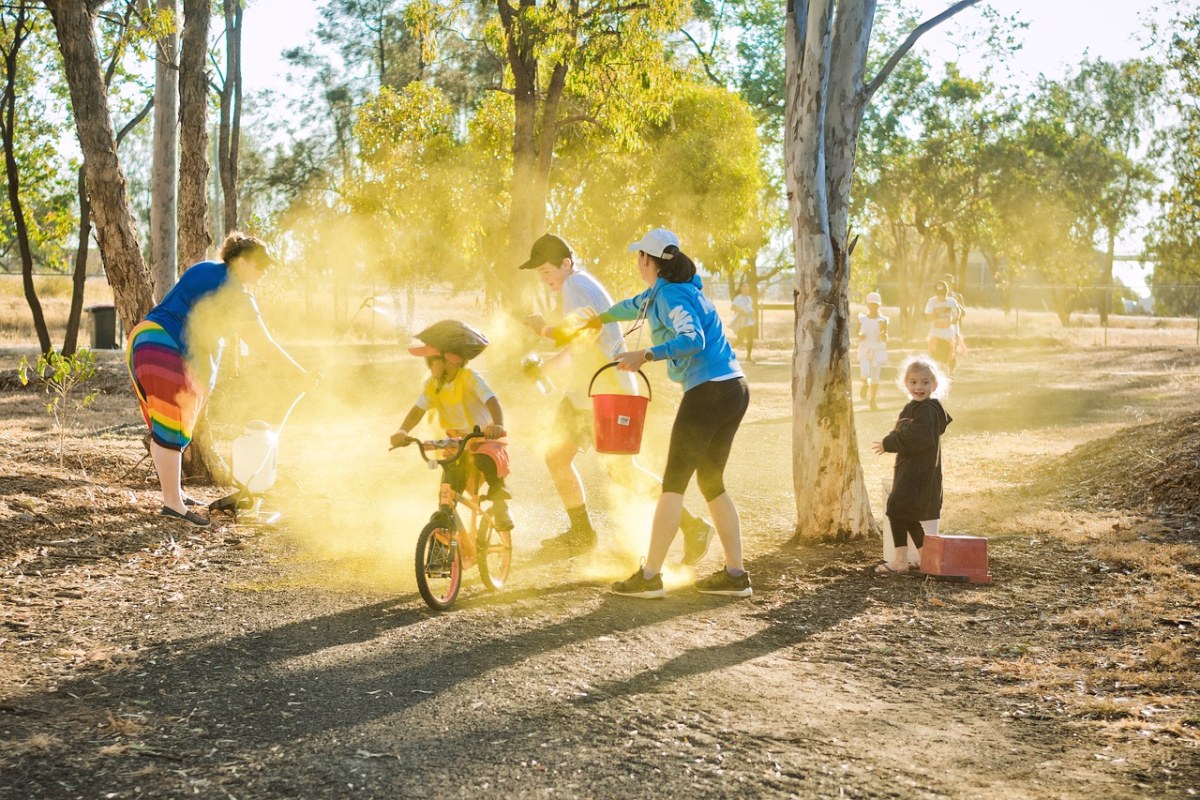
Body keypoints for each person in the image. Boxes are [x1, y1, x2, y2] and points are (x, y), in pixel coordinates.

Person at [518, 233, 714, 561]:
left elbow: (581, 332)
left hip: (605, 392)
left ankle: (691, 526)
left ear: (565, 263)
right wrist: (547, 365)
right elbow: (584, 341)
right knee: (562, 457)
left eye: (547, 271)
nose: (544, 278)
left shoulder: (575, 285)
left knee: (620, 471)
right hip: (593, 392)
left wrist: (542, 329)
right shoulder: (577, 285)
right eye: (539, 274)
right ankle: (583, 532)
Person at [584, 227, 752, 599]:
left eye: (639, 256)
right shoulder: (671, 291)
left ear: (648, 260)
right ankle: (736, 575)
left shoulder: (672, 295)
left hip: (709, 392)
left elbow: (693, 339)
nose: (637, 262)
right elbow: (633, 305)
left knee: (673, 484)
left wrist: (645, 355)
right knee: (711, 481)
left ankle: (649, 577)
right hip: (734, 387)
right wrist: (601, 318)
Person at [126, 231, 314, 527]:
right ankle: (173, 505)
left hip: (144, 338)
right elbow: (265, 346)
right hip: (167, 347)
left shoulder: (204, 269)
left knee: (167, 425)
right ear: (242, 261)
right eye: (260, 265)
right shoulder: (237, 295)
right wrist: (300, 374)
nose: (263, 272)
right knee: (171, 429)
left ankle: (174, 495)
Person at [389, 320, 514, 531]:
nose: (429, 365)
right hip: (456, 443)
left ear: (451, 359)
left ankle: (500, 504)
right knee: (447, 488)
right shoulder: (432, 385)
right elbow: (418, 410)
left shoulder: (469, 377)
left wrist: (498, 425)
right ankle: (447, 532)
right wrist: (402, 431)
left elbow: (492, 400)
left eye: (432, 360)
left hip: (483, 438)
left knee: (485, 460)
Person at [870, 355, 952, 574]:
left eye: (925, 382)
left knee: (896, 509)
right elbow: (899, 430)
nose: (919, 387)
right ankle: (926, 560)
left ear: (934, 385)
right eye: (914, 382)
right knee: (904, 512)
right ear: (906, 384)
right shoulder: (911, 408)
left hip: (919, 472)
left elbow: (917, 438)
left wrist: (889, 444)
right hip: (909, 470)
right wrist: (888, 440)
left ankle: (901, 561)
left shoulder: (929, 410)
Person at [856, 291, 888, 411]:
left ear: (878, 305)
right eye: (871, 304)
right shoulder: (862, 319)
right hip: (865, 349)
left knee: (875, 378)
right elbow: (857, 333)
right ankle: (865, 384)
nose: (873, 307)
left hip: (878, 350)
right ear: (867, 305)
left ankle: (872, 400)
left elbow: (885, 338)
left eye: (875, 304)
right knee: (864, 373)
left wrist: (882, 332)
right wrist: (861, 336)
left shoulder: (883, 320)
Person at [924, 280, 960, 372]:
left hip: (948, 331)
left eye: (943, 294)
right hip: (935, 331)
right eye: (939, 294)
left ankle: (950, 370)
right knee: (932, 350)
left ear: (947, 292)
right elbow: (927, 318)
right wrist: (936, 312)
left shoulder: (951, 301)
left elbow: (958, 313)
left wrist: (952, 321)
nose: (941, 297)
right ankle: (932, 370)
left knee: (950, 349)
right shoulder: (932, 302)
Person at [730, 284, 756, 362]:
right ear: (741, 288)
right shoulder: (738, 298)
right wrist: (741, 310)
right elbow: (732, 307)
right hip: (741, 322)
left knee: (750, 339)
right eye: (744, 287)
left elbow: (750, 308)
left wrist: (752, 312)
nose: (745, 289)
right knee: (740, 339)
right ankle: (727, 351)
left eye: (747, 287)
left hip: (749, 321)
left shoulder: (749, 298)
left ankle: (748, 357)